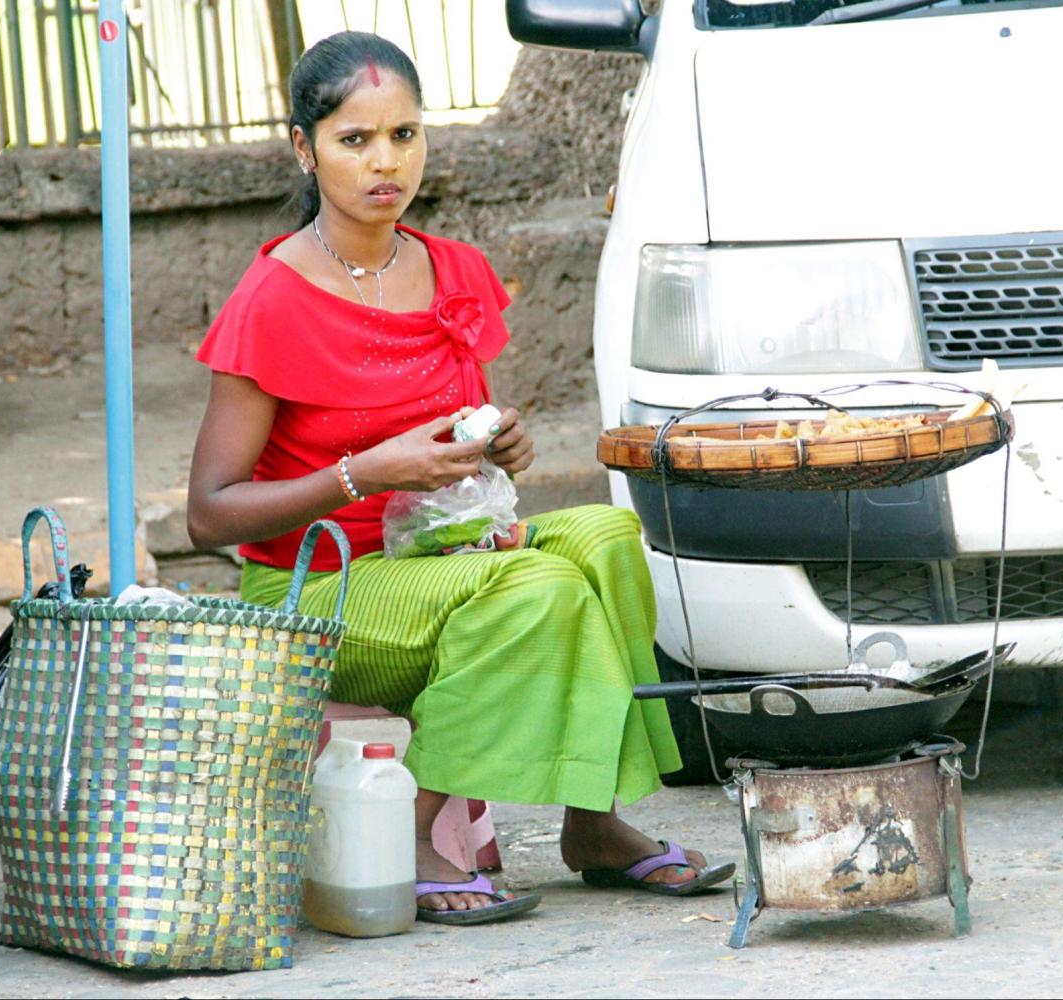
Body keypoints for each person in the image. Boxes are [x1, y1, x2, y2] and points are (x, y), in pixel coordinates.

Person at [187, 30, 732, 926]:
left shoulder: (452, 270)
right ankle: (416, 825)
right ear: (302, 148)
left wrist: (498, 442)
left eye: (404, 135)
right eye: (353, 140)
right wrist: (365, 473)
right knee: (536, 584)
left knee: (602, 534)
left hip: (447, 551)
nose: (385, 162)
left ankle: (593, 821)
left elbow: (457, 439)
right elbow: (208, 514)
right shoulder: (274, 298)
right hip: (323, 584)